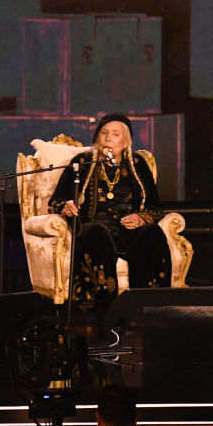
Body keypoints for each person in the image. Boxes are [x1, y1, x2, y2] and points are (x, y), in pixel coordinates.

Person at [50, 113, 170, 313]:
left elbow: (156, 207)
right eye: (104, 133)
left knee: (153, 234)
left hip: (128, 233)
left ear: (126, 142)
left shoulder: (137, 164)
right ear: (96, 137)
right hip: (94, 231)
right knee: (97, 233)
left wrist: (141, 218)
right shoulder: (82, 162)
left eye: (115, 134)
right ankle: (105, 312)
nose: (108, 138)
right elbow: (56, 200)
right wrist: (66, 206)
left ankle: (149, 310)